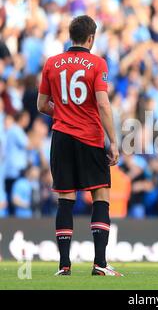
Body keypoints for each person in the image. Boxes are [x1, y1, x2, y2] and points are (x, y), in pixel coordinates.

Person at [37, 15, 121, 276]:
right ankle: (100, 263)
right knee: (100, 196)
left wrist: (63, 113)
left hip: (61, 137)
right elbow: (103, 103)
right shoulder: (97, 63)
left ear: (70, 35)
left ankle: (64, 264)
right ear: (91, 38)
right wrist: (114, 141)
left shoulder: (52, 63)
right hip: (89, 137)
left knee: (65, 197)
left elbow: (41, 105)